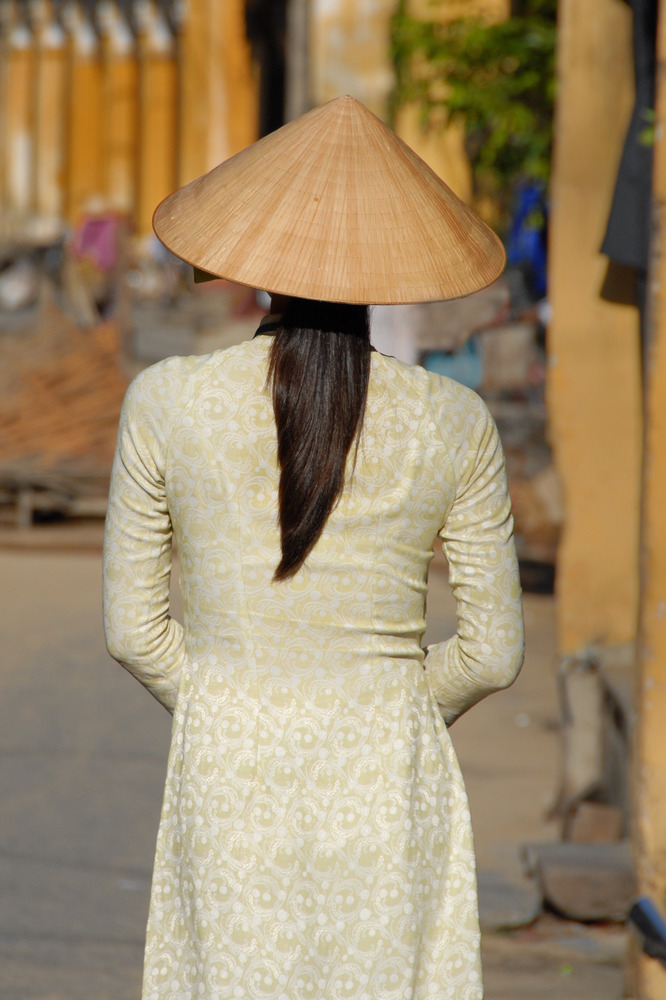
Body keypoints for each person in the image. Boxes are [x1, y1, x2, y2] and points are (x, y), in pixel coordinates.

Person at [103, 96, 524, 1000]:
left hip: (229, 774)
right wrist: (388, 705)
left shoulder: (166, 403)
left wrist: (235, 701)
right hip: (387, 770)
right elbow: (493, 653)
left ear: (255, 264)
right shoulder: (456, 422)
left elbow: (135, 634)